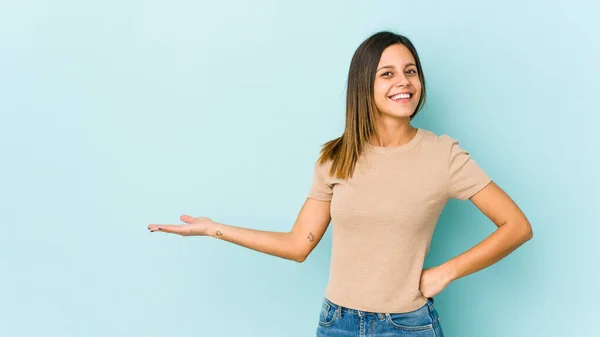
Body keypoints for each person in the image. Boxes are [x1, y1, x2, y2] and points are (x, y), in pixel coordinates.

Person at [147, 31, 533, 336]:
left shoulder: (443, 155)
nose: (404, 82)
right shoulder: (337, 157)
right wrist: (212, 228)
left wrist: (445, 272)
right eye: (388, 73)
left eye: (411, 71)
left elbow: (517, 227)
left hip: (407, 326)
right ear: (364, 84)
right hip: (337, 324)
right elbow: (299, 245)